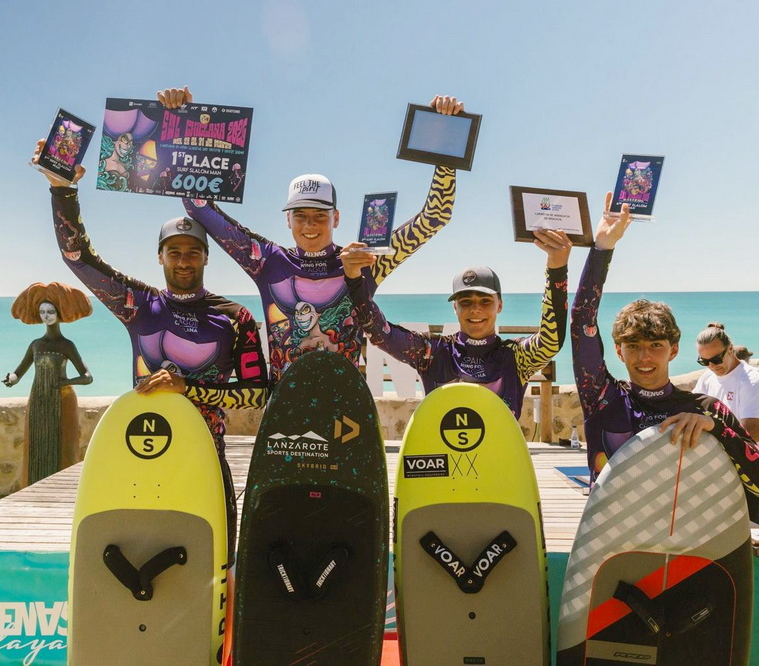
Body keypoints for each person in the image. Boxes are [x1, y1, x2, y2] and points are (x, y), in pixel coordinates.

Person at [32, 140, 269, 559]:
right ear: (160, 256)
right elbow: (78, 256)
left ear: (206, 258)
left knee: (218, 562)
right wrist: (61, 189)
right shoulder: (138, 306)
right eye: (174, 252)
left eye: (192, 252)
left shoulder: (235, 318)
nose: (183, 260)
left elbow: (258, 393)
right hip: (141, 454)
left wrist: (191, 389)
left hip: (205, 457)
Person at [158, 85, 463, 383]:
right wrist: (184, 121)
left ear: (337, 218)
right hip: (283, 413)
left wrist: (443, 135)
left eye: (320, 215)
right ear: (287, 220)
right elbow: (200, 209)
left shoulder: (364, 260)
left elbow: (436, 216)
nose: (310, 225)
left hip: (345, 413)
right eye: (300, 216)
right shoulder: (266, 261)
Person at [571, 193, 759, 521]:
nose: (645, 356)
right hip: (613, 548)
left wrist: (716, 429)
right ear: (618, 351)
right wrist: (602, 248)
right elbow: (581, 321)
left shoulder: (706, 409)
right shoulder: (604, 399)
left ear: (673, 349)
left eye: (656, 345)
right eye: (633, 346)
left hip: (688, 554)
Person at [339, 230, 572, 419]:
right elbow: (381, 334)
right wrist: (353, 279)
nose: (475, 309)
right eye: (466, 301)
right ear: (455, 307)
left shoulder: (515, 357)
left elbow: (551, 341)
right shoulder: (433, 352)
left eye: (485, 301)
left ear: (499, 305)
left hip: (501, 466)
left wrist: (557, 267)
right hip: (445, 470)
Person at [3, 282, 93, 486]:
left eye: (50, 311)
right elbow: (20, 371)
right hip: (38, 400)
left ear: (59, 312)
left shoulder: (66, 345)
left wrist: (66, 382)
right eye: (42, 311)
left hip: (62, 401)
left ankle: (61, 488)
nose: (46, 315)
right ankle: (33, 489)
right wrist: (11, 379)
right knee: (36, 445)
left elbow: (87, 377)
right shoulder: (36, 345)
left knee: (62, 446)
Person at [692, 323, 759, 522]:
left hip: (749, 473)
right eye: (704, 361)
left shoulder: (752, 381)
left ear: (730, 349)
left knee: (747, 537)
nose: (712, 366)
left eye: (716, 359)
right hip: (719, 468)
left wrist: (710, 425)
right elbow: (691, 408)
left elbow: (752, 435)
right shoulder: (708, 377)